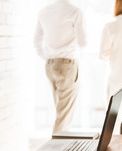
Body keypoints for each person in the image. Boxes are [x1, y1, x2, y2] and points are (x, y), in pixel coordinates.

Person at [34, 0, 87, 134]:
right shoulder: (75, 11)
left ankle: (61, 147)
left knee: (60, 109)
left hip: (50, 65)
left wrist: (47, 57)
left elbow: (36, 41)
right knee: (64, 114)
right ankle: (55, 149)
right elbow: (83, 42)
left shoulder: (44, 11)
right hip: (67, 64)